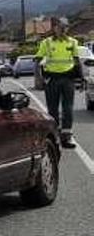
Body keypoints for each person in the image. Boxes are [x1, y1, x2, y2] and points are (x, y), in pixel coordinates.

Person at [36, 18, 80, 148]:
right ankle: (54, 136)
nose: (63, 29)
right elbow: (37, 60)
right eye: (60, 26)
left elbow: (76, 61)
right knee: (52, 109)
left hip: (68, 79)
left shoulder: (73, 42)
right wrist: (39, 79)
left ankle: (67, 137)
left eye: (65, 27)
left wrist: (81, 77)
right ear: (54, 28)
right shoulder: (47, 42)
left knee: (68, 108)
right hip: (52, 80)